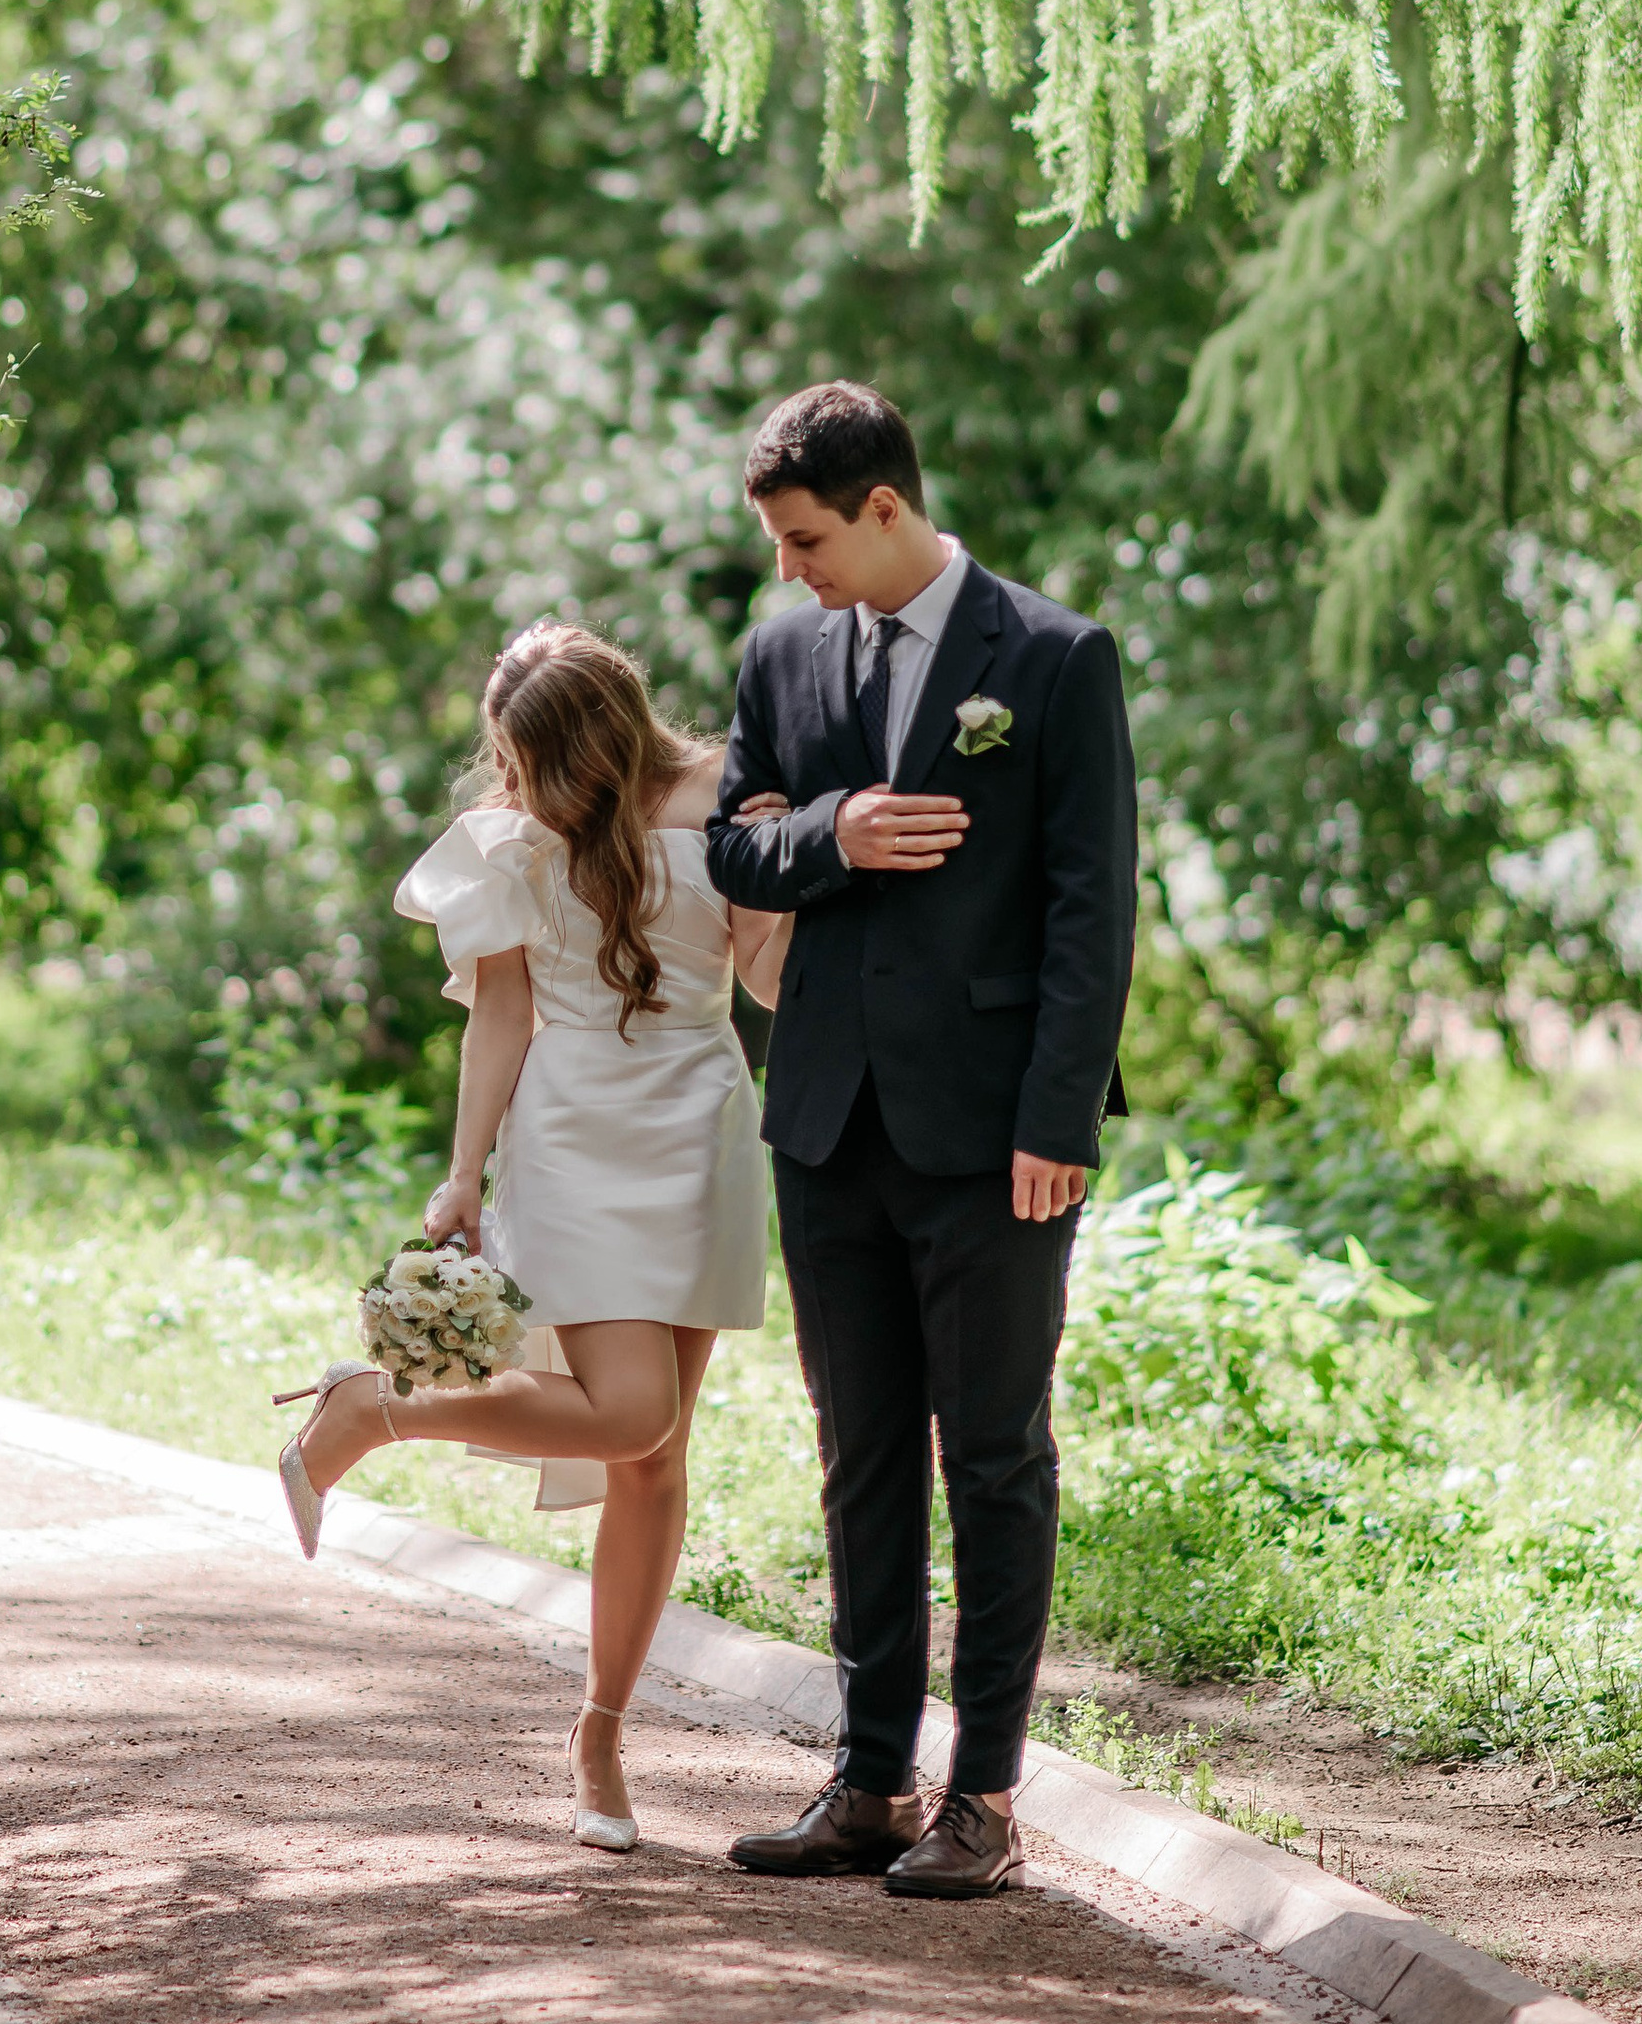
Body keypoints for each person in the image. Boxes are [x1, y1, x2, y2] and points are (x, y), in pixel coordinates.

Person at [703, 381, 1135, 1901]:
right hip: (825, 1119)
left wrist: (1056, 1116)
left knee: (995, 1456)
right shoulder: (784, 650)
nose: (790, 569)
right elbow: (732, 840)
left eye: (807, 538)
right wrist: (838, 832)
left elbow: (1094, 903)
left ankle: (986, 1796)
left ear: (885, 507)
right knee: (860, 1453)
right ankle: (870, 1779)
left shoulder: (1057, 656)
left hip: (991, 1133)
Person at [275, 620, 790, 1848]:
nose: (520, 791)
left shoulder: (734, 790)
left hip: (703, 1127)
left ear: (606, 734)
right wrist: (463, 1175)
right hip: (572, 1135)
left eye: (537, 763)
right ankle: (372, 1408)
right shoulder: (512, 837)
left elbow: (767, 980)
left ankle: (600, 1734)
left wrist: (785, 872)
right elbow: (500, 1010)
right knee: (632, 1413)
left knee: (652, 1461)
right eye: (512, 764)